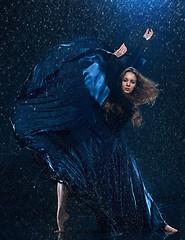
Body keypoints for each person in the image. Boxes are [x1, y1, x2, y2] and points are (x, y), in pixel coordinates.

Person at [10, 29, 178, 235]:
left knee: (133, 184)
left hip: (114, 147)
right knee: (70, 167)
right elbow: (111, 64)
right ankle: (62, 214)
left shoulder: (125, 96)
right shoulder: (111, 87)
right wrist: (127, 48)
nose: (128, 84)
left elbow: (129, 63)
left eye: (132, 82)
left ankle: (158, 223)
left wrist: (141, 44)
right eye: (125, 80)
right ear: (120, 80)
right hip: (95, 139)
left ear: (136, 84)